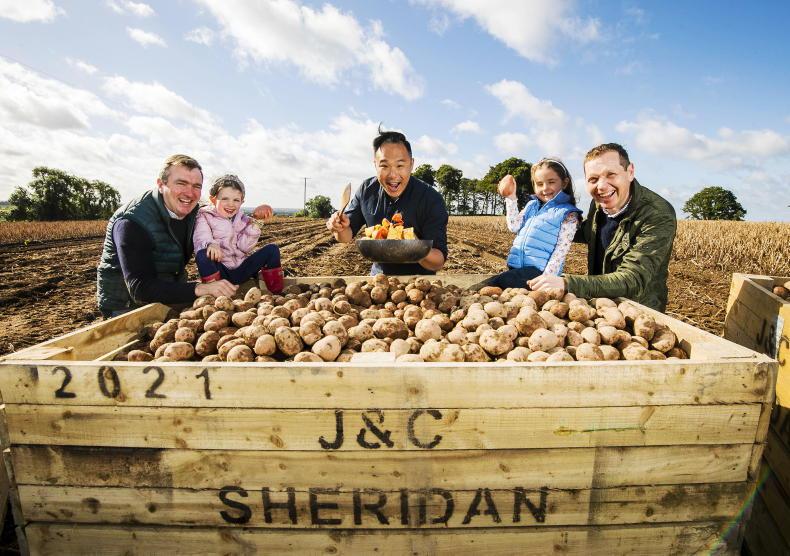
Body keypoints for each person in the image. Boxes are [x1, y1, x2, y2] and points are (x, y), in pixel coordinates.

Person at [96, 154, 272, 318]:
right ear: (160, 184)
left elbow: (227, 217)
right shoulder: (132, 222)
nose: (189, 193)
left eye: (196, 186)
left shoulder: (195, 212)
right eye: (181, 183)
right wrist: (200, 289)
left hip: (172, 294)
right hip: (127, 307)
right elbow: (140, 288)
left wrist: (256, 217)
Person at [528, 143, 677, 311]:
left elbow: (633, 278)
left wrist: (567, 282)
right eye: (593, 179)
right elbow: (587, 233)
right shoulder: (598, 203)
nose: (601, 186)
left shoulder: (657, 214)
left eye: (611, 174)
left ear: (630, 172)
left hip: (638, 311)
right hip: (600, 304)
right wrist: (547, 221)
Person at [326, 127, 449, 275]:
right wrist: (339, 227)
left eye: (400, 165)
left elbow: (438, 261)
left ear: (411, 164)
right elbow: (345, 237)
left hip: (420, 285)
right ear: (375, 165)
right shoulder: (366, 190)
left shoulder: (430, 198)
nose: (393, 175)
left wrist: (415, 247)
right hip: (378, 282)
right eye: (384, 165)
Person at [487, 157, 581, 289]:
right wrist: (511, 198)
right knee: (502, 282)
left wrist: (547, 278)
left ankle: (474, 292)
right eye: (539, 184)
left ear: (564, 183)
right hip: (517, 267)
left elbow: (561, 250)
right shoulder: (531, 205)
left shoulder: (568, 213)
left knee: (497, 282)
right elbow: (514, 226)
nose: (545, 188)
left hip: (538, 273)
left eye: (551, 182)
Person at [193, 174, 283, 293]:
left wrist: (256, 223)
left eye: (236, 200)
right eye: (225, 199)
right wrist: (210, 244)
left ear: (242, 202)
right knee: (203, 254)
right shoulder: (204, 216)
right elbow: (201, 235)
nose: (231, 204)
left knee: (272, 249)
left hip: (241, 269)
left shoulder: (242, 219)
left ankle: (276, 292)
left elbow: (244, 247)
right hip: (220, 272)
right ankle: (215, 292)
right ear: (213, 199)